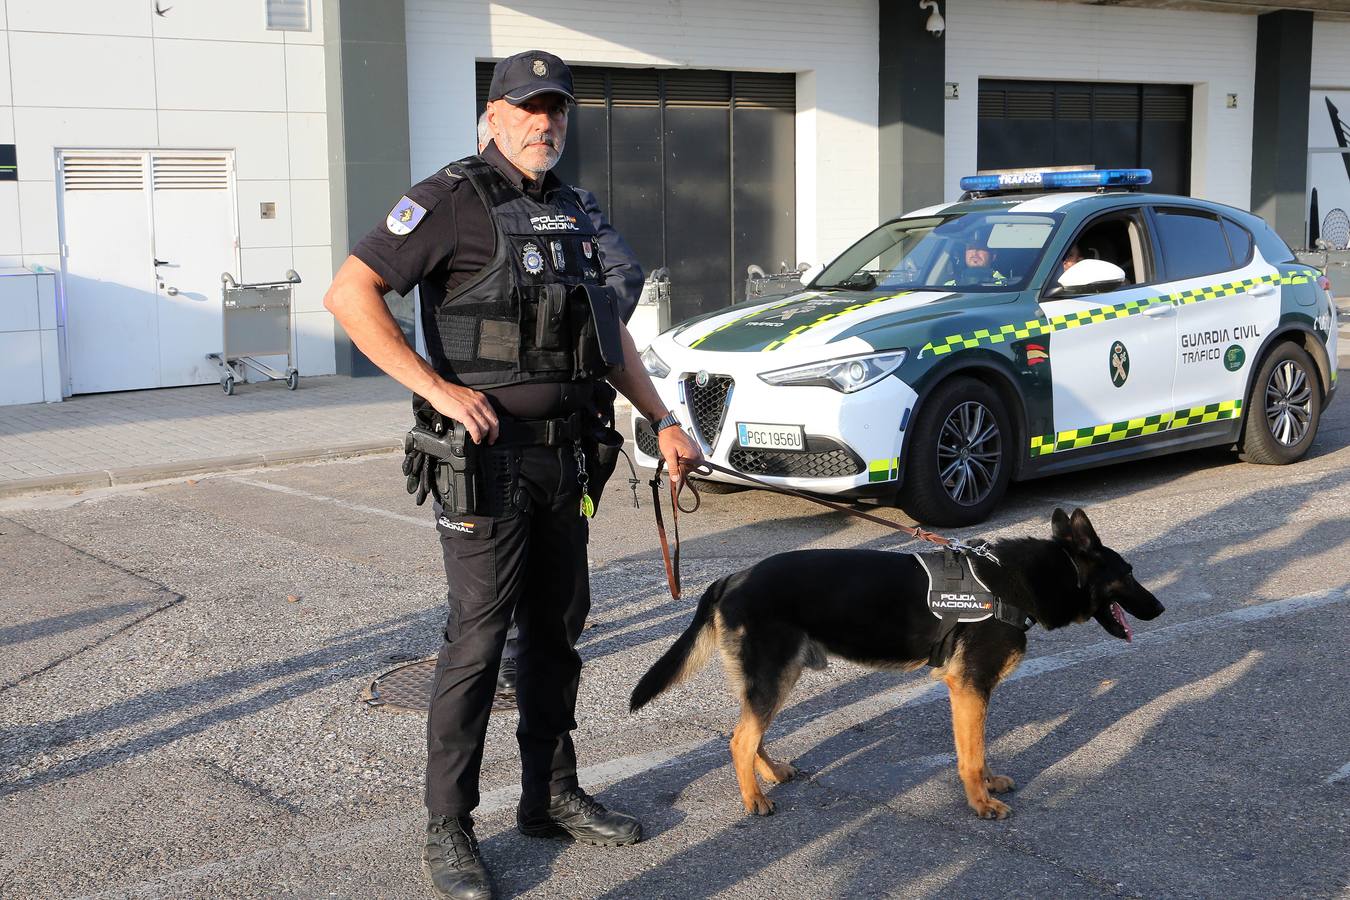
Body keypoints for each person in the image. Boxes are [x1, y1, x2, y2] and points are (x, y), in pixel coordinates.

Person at [323, 50, 703, 900]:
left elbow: (606, 338)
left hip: (568, 457)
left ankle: (549, 794)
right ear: (492, 116)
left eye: (557, 108)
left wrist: (664, 419)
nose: (545, 122)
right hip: (485, 465)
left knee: (558, 631)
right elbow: (350, 294)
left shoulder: (572, 209)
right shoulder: (449, 199)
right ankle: (449, 828)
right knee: (477, 642)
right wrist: (439, 388)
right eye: (528, 108)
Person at [474, 112, 645, 700]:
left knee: (564, 574)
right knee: (489, 576)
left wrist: (576, 327)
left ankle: (536, 661)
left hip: (573, 427)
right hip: (492, 435)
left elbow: (623, 272)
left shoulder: (575, 206)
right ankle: (495, 658)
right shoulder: (464, 203)